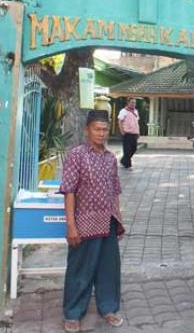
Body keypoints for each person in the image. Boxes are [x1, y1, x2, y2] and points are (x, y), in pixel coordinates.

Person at [59, 110, 125, 332]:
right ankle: (73, 313)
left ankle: (108, 307)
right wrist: (70, 225)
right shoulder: (76, 155)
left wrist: (119, 218)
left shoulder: (110, 158)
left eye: (105, 129)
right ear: (87, 130)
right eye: (97, 129)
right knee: (80, 270)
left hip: (108, 222)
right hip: (84, 223)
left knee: (108, 269)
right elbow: (69, 191)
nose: (101, 133)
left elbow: (115, 190)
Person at [118, 98, 140, 170]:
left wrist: (138, 132)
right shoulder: (123, 111)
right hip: (127, 133)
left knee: (134, 149)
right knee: (127, 150)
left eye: (134, 103)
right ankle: (128, 165)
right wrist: (122, 131)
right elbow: (120, 121)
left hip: (134, 133)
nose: (133, 104)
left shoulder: (136, 111)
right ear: (128, 103)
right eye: (132, 102)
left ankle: (123, 161)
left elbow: (136, 123)